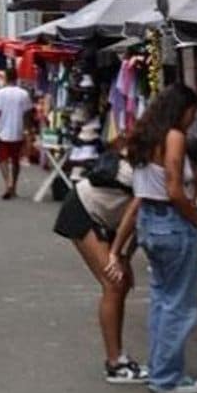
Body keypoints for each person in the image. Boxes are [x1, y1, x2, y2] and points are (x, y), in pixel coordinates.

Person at [121, 83, 197, 393]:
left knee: (162, 299)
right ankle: (166, 375)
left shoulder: (147, 136)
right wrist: (196, 216)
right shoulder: (174, 137)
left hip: (150, 222)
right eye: (192, 112)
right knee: (179, 304)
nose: (193, 119)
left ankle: (161, 367)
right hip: (173, 221)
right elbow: (174, 188)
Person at [56, 151, 143, 381]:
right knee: (113, 283)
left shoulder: (148, 171)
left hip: (103, 217)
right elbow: (133, 218)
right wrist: (120, 255)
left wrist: (124, 257)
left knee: (119, 284)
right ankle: (114, 362)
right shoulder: (149, 176)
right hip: (84, 210)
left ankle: (119, 357)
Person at [0, 74, 34, 198]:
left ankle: (7, 183)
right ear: (17, 79)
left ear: (5, 79)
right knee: (15, 160)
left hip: (3, 129)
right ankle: (13, 186)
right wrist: (27, 129)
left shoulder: (1, 93)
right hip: (18, 130)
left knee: (3, 159)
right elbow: (28, 113)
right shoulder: (24, 94)